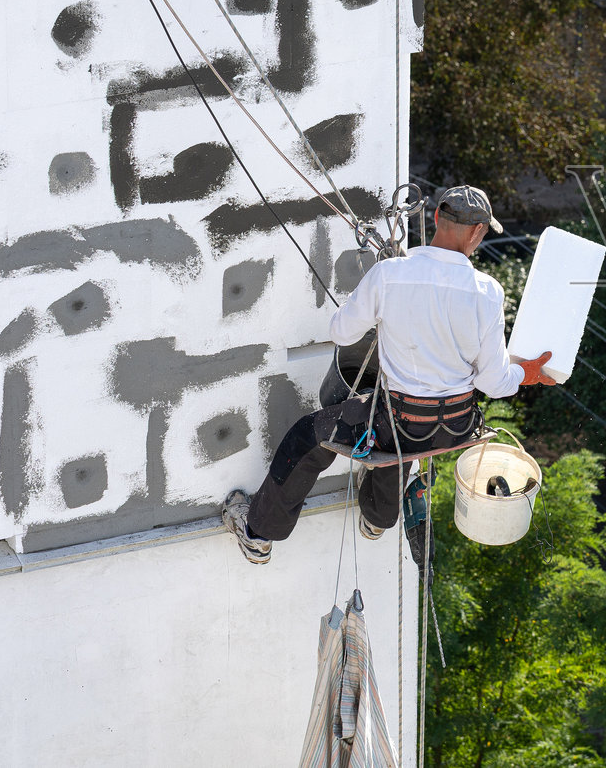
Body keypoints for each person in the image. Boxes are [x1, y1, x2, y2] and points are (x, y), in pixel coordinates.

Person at [222, 185, 556, 564]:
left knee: (311, 435)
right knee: (398, 437)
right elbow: (493, 383)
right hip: (458, 425)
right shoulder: (487, 292)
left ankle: (258, 533)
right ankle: (378, 520)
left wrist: (378, 307)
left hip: (400, 424)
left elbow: (342, 333)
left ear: (435, 218)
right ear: (478, 232)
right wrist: (524, 372)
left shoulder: (389, 274)